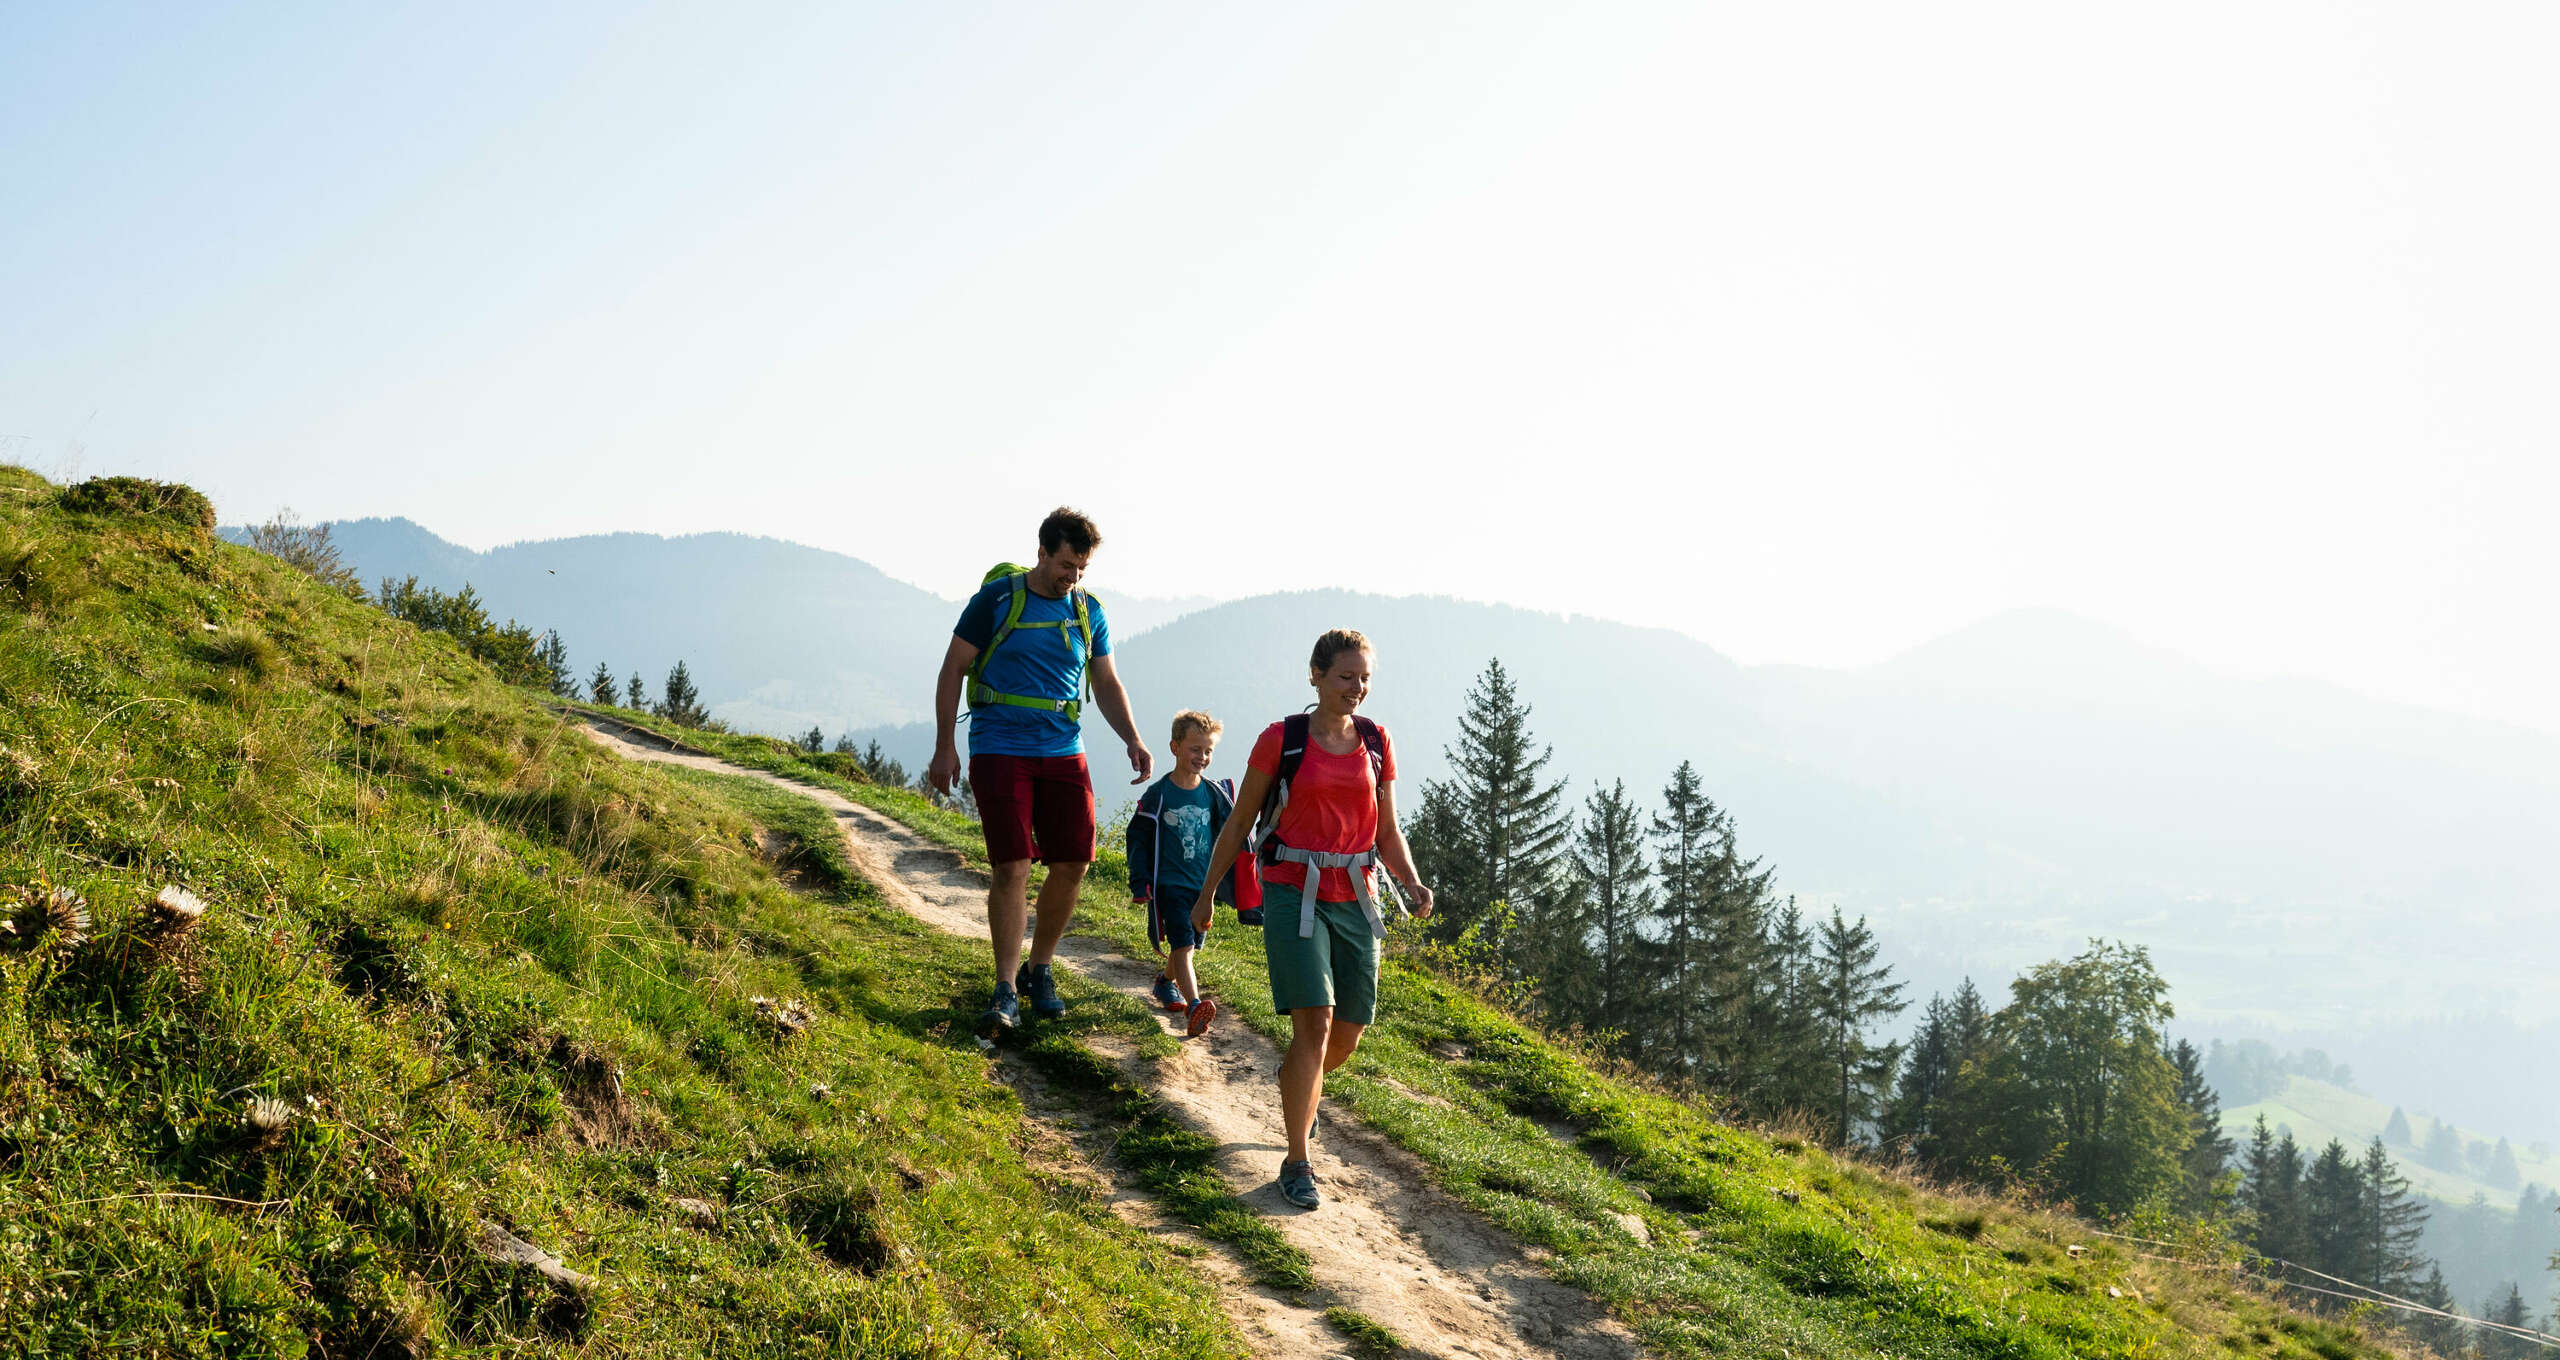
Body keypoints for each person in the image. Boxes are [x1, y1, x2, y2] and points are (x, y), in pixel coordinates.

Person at [1190, 629, 1431, 1210]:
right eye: (1346, 677)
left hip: (1358, 893)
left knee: (1347, 1032)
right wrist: (1205, 897)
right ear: (1316, 676)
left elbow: (1386, 828)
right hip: (1291, 891)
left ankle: (1299, 1085)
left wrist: (1411, 879)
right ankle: (1297, 1160)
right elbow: (1240, 821)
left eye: (1365, 678)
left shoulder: (1377, 741)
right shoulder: (1282, 740)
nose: (1357, 688)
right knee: (1315, 1024)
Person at [928, 508, 1152, 1036]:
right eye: (1066, 565)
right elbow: (952, 669)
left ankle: (1039, 968)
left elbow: (1106, 683)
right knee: (1012, 865)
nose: (1072, 577)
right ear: (1043, 552)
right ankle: (1005, 988)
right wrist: (945, 746)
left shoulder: (1087, 611)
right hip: (999, 746)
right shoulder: (997, 600)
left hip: (1063, 748)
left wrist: (1133, 739)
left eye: (1081, 568)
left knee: (1074, 861)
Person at [1126, 710, 1260, 1037]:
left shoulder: (1213, 794)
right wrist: (1140, 881)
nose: (1202, 757)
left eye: (1208, 750)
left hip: (1202, 888)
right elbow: (1138, 837)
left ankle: (1164, 982)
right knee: (1184, 945)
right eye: (1195, 749)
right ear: (1174, 748)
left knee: (1189, 943)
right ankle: (1196, 1005)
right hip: (1169, 884)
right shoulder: (1159, 795)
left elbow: (1236, 832)